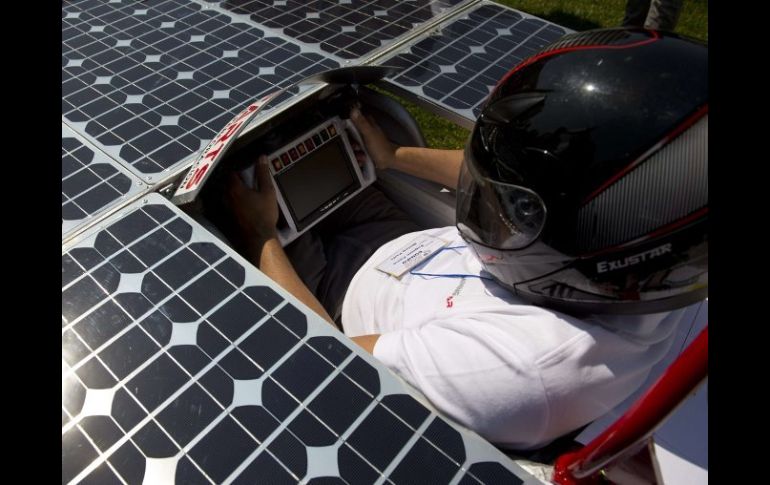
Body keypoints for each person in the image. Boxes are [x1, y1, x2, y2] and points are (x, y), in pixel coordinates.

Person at [226, 28, 708, 450]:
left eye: (500, 209)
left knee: (227, 196)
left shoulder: (522, 373)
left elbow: (323, 356)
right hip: (405, 243)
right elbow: (540, 190)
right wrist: (392, 155)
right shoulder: (656, 257)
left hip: (331, 292)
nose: (481, 201)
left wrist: (261, 235)